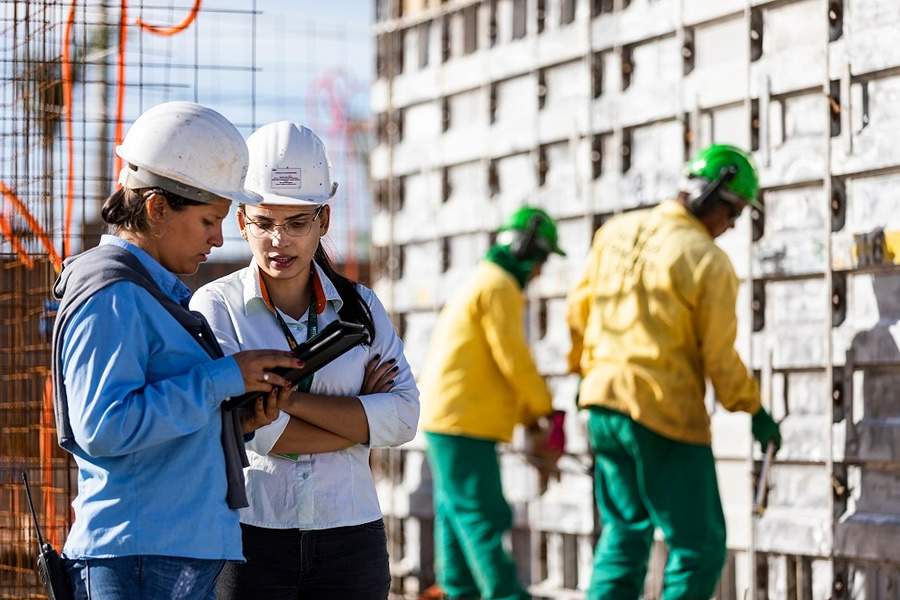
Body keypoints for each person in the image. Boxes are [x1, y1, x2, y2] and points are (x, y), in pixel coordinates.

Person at [52, 101, 301, 599]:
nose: (217, 238)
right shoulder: (113, 296)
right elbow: (104, 427)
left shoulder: (150, 294)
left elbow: (155, 424)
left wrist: (232, 421)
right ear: (157, 208)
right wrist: (225, 378)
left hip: (167, 556)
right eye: (209, 220)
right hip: (141, 558)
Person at [189, 121, 419, 599]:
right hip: (250, 535)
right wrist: (359, 418)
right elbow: (258, 434)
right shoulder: (215, 308)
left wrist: (285, 400)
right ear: (241, 222)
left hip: (351, 535)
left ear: (323, 221)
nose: (280, 241)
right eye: (266, 223)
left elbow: (402, 419)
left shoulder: (364, 307)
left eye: (297, 223)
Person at [566, 144, 783, 600]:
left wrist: (584, 372)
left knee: (624, 536)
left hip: (602, 404)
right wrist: (753, 407)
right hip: (660, 413)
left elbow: (578, 312)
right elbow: (719, 358)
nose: (732, 225)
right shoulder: (707, 260)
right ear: (712, 195)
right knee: (699, 546)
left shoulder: (615, 232)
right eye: (734, 212)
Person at [419, 206, 567, 600]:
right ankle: (505, 594)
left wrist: (528, 417)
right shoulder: (500, 286)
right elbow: (513, 358)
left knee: (455, 511)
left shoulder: (483, 280)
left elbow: (494, 364)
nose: (539, 272)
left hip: (448, 417)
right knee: (482, 513)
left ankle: (458, 589)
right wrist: (543, 412)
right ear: (526, 250)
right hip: (463, 419)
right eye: (542, 260)